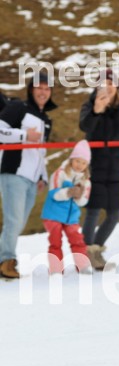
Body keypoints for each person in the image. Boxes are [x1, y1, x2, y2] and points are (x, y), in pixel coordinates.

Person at [78, 69, 119, 270]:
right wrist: (97, 110)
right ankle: (85, 254)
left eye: (110, 83)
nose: (107, 87)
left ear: (117, 86)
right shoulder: (90, 104)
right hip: (94, 166)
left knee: (115, 212)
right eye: (102, 84)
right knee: (93, 211)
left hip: (115, 167)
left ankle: (95, 250)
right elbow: (84, 126)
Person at [0, 70, 56, 279]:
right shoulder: (18, 108)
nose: (42, 92)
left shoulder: (47, 119)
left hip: (32, 180)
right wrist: (24, 135)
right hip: (14, 172)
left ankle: (4, 259)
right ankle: (6, 262)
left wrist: (42, 176)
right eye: (39, 87)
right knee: (13, 222)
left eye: (46, 88)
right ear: (31, 89)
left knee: (18, 223)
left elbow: (41, 151)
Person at [41, 140, 93, 275]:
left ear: (87, 165)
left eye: (83, 163)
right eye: (77, 161)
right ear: (71, 160)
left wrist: (79, 196)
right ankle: (56, 269)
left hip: (71, 217)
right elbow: (53, 194)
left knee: (77, 241)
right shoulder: (60, 173)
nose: (79, 165)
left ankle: (83, 267)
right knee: (55, 242)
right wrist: (69, 192)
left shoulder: (86, 180)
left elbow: (83, 202)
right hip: (54, 215)